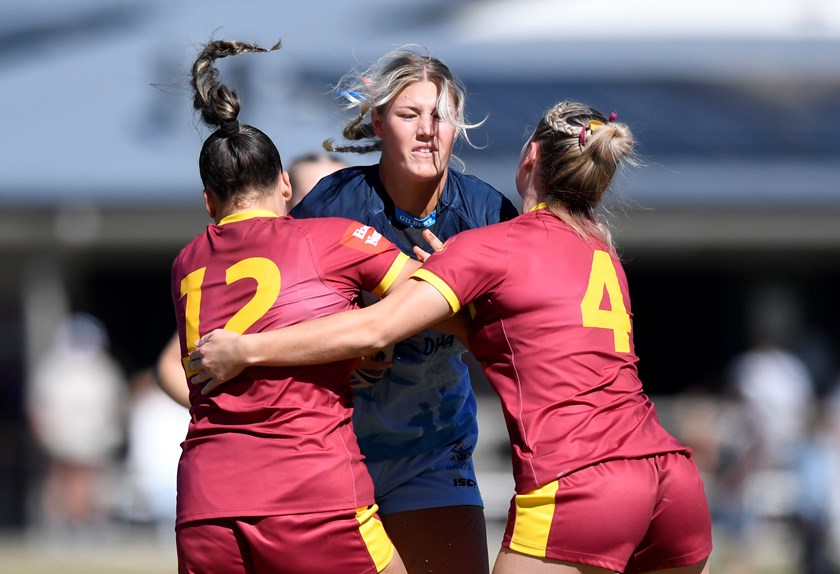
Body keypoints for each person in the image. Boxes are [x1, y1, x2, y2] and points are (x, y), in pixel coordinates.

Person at [188, 101, 714, 574]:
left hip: (585, 479)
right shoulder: (600, 251)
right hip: (670, 478)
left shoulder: (489, 246)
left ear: (530, 157)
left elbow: (375, 326)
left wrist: (245, 348)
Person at [170, 38, 411, 573]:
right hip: (309, 488)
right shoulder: (334, 237)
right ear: (284, 184)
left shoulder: (187, 262)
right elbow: (428, 294)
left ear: (209, 202)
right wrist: (377, 338)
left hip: (206, 502)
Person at [289, 46, 519, 574]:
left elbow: (512, 342)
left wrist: (456, 296)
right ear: (377, 122)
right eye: (409, 114)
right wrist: (344, 351)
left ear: (457, 125)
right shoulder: (331, 202)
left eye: (440, 115)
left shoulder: (487, 213)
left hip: (435, 449)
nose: (426, 130)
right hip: (338, 451)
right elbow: (286, 310)